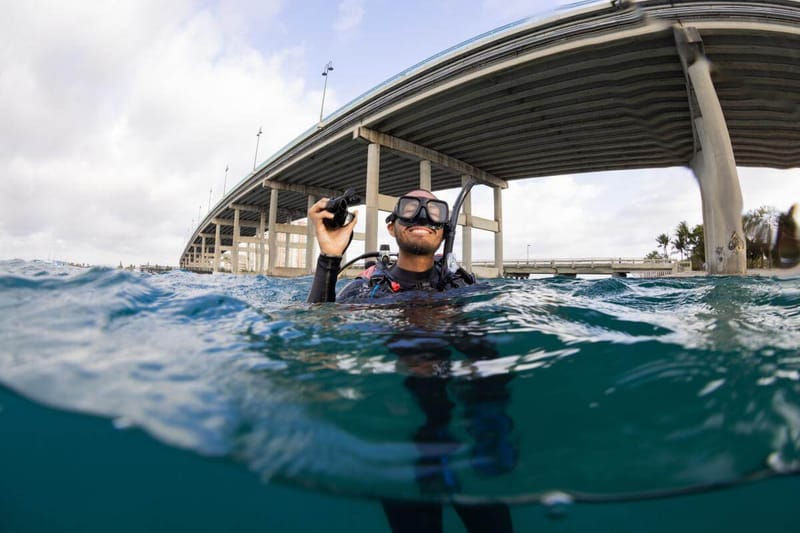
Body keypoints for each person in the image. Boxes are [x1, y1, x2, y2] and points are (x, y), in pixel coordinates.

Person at [307, 188, 515, 533]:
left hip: (464, 443)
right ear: (391, 227)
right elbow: (316, 329)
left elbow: (490, 359)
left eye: (434, 211)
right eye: (410, 208)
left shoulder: (464, 288)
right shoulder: (367, 290)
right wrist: (329, 257)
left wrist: (492, 426)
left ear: (444, 230)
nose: (421, 217)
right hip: (398, 444)